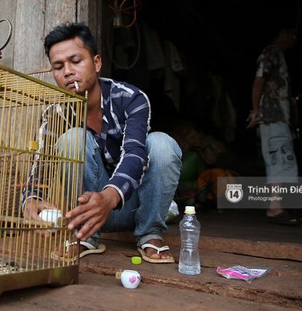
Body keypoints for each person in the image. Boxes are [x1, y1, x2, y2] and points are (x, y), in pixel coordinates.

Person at [22, 22, 183, 263]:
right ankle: (86, 236)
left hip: (134, 207)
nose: (67, 72)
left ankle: (150, 234)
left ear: (96, 63)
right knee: (72, 138)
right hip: (88, 211)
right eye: (58, 66)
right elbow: (41, 164)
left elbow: (134, 155)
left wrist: (108, 198)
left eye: (76, 61)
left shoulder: (131, 99)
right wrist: (30, 198)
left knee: (162, 144)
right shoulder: (55, 114)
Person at [246, 23, 302, 225]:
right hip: (271, 117)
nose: (294, 40)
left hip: (279, 118)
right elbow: (258, 81)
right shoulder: (270, 52)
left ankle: (279, 205)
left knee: (283, 159)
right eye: (293, 34)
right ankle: (275, 207)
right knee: (278, 159)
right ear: (283, 32)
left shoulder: (278, 55)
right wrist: (256, 111)